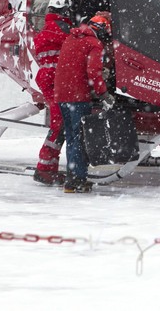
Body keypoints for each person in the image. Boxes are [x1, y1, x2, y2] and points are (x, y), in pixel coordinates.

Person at [53, 12, 114, 193]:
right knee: (79, 139)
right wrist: (104, 94)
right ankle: (77, 180)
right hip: (78, 97)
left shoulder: (72, 38)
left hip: (62, 96)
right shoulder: (94, 44)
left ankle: (72, 179)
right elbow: (94, 73)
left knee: (72, 137)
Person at [32, 0, 73, 185]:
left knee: (60, 123)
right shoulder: (64, 29)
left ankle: (49, 167)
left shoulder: (46, 28)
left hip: (47, 78)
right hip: (57, 79)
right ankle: (44, 169)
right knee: (60, 124)